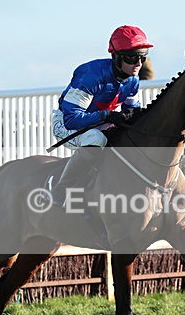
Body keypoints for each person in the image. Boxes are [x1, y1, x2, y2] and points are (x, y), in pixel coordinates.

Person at [50, 25, 152, 206]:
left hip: (99, 123)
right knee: (96, 139)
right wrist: (107, 115)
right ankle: (63, 187)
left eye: (142, 57)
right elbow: (71, 119)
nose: (138, 63)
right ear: (117, 57)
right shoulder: (91, 76)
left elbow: (132, 111)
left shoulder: (133, 80)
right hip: (67, 125)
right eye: (132, 57)